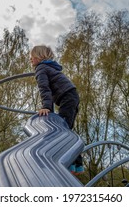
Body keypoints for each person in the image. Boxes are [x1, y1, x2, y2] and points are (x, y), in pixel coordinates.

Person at [30, 45, 84, 175]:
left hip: (67, 97)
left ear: (39, 56)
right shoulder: (50, 67)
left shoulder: (40, 68)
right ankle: (77, 166)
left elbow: (44, 88)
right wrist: (51, 111)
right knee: (66, 130)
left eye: (32, 57)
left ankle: (71, 164)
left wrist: (46, 107)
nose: (30, 59)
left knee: (63, 131)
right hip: (71, 97)